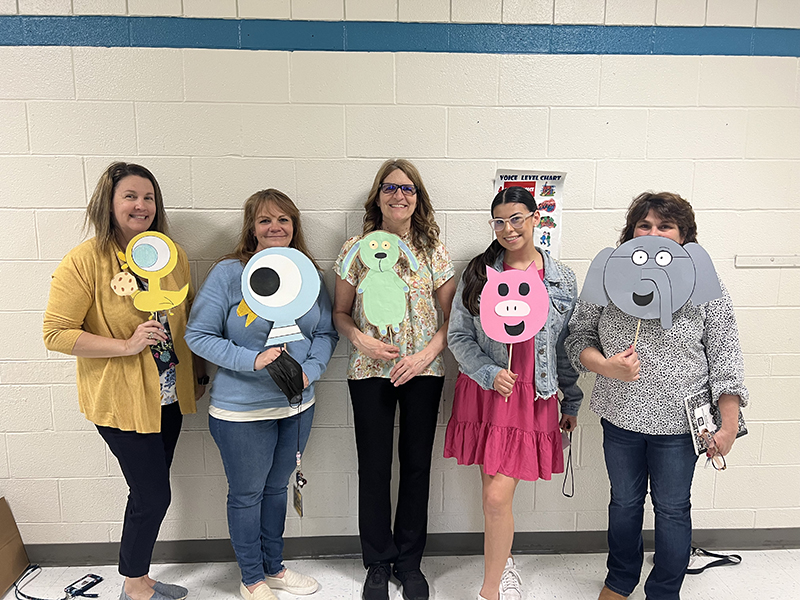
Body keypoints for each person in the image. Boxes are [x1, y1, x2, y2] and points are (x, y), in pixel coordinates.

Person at [565, 192, 748, 600]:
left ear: (684, 236)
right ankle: (620, 578)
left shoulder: (706, 286)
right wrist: (605, 366)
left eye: (665, 226)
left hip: (679, 424)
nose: (654, 233)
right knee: (625, 503)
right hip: (621, 415)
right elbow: (577, 336)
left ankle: (665, 589)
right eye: (644, 226)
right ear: (631, 234)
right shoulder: (609, 279)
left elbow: (725, 355)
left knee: (671, 508)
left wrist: (729, 424)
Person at [43, 162, 203, 600]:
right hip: (121, 400)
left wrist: (199, 376)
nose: (141, 205)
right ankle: (134, 586)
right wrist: (126, 346)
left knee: (147, 491)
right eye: (130, 196)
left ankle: (140, 576)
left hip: (167, 398)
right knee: (154, 495)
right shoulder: (85, 260)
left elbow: (185, 319)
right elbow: (55, 333)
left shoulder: (172, 254)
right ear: (109, 203)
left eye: (148, 197)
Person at [185, 189, 338, 600]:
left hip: (296, 406)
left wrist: (311, 370)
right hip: (241, 412)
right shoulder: (228, 274)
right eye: (265, 220)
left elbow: (324, 332)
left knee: (276, 490)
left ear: (294, 227)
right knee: (248, 493)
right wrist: (250, 360)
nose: (275, 227)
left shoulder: (308, 272)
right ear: (251, 227)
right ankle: (251, 578)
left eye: (283, 220)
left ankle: (274, 568)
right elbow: (197, 335)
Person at [444, 186, 583, 600]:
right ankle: (502, 567)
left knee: (495, 495)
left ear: (535, 219)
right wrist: (488, 372)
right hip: (488, 392)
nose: (508, 229)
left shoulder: (560, 279)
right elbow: (458, 337)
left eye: (517, 218)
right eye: (500, 221)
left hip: (531, 397)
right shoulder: (479, 272)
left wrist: (570, 400)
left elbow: (564, 347)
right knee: (493, 500)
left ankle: (490, 590)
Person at [332, 159, 455, 600]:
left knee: (417, 465)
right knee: (374, 467)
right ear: (377, 196)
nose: (398, 195)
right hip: (369, 371)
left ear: (417, 198)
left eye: (408, 189)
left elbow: (451, 319)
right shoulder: (355, 248)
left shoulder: (433, 250)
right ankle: (378, 561)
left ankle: (409, 561)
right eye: (390, 187)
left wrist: (425, 355)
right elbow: (340, 314)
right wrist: (359, 340)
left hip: (422, 370)